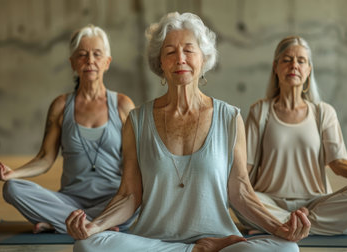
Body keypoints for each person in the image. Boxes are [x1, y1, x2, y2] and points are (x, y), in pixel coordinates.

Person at [66, 12, 310, 252]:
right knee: (86, 245)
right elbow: (130, 195)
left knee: (287, 249)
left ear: (203, 58)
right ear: (160, 63)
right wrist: (93, 226)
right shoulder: (137, 120)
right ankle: (197, 251)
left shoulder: (229, 118)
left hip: (220, 238)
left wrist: (279, 229)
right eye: (170, 52)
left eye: (189, 50)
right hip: (155, 243)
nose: (180, 59)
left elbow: (241, 193)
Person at [0, 24, 136, 234]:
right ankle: (94, 225)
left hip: (112, 199)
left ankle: (62, 224)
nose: (90, 61)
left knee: (141, 199)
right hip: (69, 200)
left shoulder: (122, 105)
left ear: (107, 62)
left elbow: (137, 161)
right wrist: (13, 174)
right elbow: (45, 158)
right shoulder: (60, 106)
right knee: (12, 188)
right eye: (82, 55)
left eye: (97, 54)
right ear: (73, 63)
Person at [241, 35, 347, 236]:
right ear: (275, 67)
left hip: (315, 202)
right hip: (269, 200)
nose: (294, 65)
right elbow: (246, 167)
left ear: (309, 70)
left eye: (301, 61)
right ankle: (309, 225)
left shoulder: (323, 112)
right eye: (287, 60)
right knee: (237, 194)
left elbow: (338, 163)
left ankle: (280, 226)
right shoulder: (260, 111)